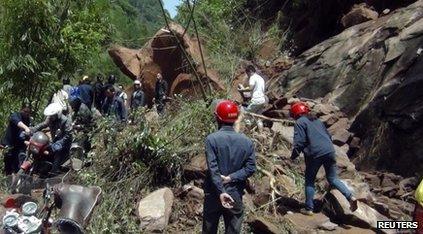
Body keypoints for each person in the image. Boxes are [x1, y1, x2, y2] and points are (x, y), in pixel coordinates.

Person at [289, 102, 357, 215]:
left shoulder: (300, 122)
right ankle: (350, 197)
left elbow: (299, 142)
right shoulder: (316, 120)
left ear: (295, 113)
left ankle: (309, 208)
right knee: (333, 179)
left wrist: (293, 156)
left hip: (315, 153)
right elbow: (328, 136)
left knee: (309, 181)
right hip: (330, 150)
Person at [203, 100, 256, 234]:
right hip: (235, 195)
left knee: (209, 231)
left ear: (217, 117)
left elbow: (213, 168)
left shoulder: (211, 139)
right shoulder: (247, 142)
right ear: (236, 119)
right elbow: (250, 168)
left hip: (214, 194)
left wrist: (221, 191)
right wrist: (231, 178)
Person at [32, 103, 73, 174]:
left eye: (53, 115)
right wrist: (32, 129)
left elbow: (68, 135)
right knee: (41, 149)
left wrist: (59, 144)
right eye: (50, 115)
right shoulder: (50, 118)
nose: (51, 117)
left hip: (64, 143)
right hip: (55, 141)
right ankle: (37, 167)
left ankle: (53, 172)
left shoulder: (66, 121)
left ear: (58, 113)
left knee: (58, 153)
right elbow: (43, 124)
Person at [1, 105, 32, 175]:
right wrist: (26, 127)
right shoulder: (15, 115)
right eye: (25, 111)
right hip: (9, 144)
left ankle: (15, 181)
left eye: (28, 112)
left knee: (17, 166)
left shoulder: (28, 120)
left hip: (19, 146)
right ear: (21, 110)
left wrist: (28, 140)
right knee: (8, 165)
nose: (26, 113)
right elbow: (17, 122)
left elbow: (27, 133)